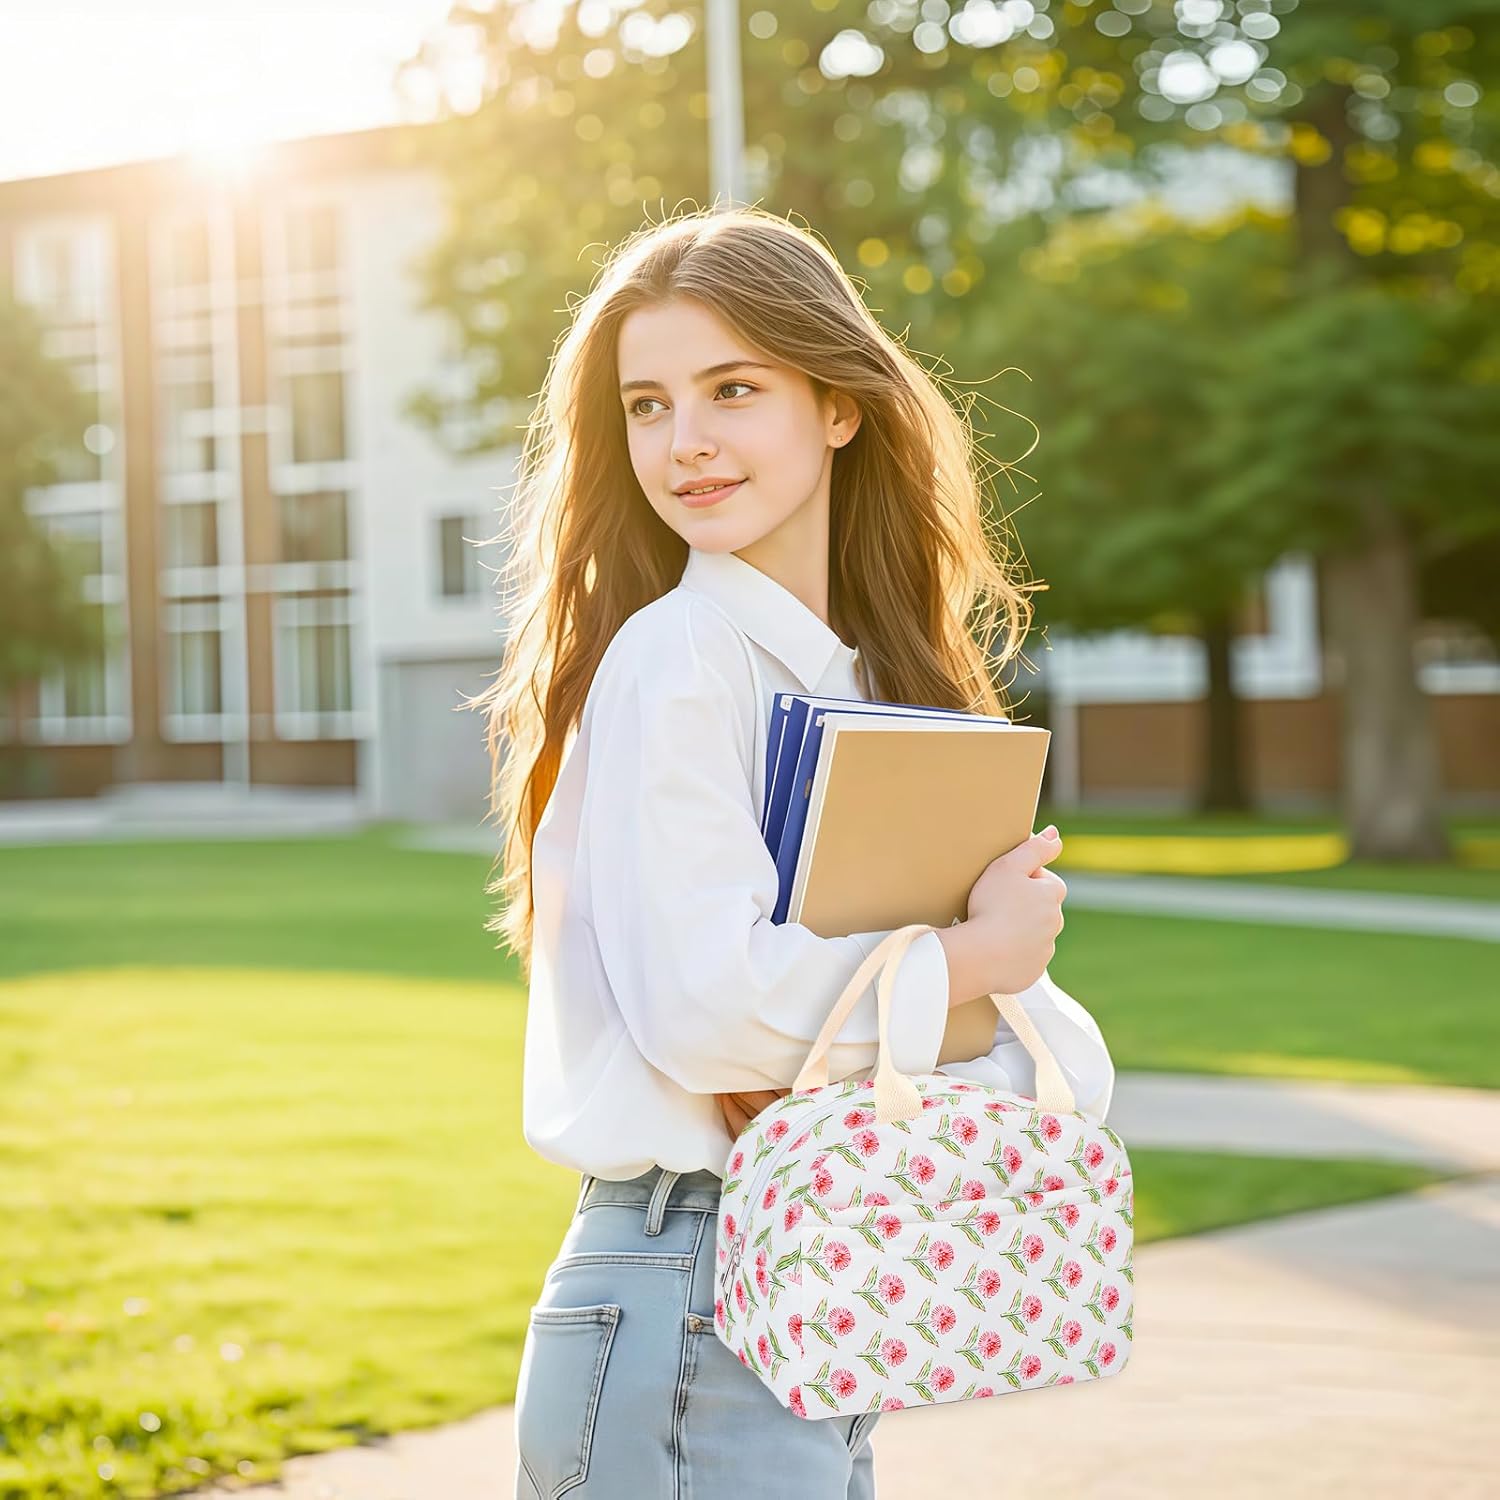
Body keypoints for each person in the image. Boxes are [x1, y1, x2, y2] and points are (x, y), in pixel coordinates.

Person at [472, 206, 1116, 1499]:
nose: (685, 440)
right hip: (688, 1290)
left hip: (816, 1296)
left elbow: (1064, 1069)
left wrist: (937, 990)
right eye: (646, 405)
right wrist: (961, 967)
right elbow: (712, 1014)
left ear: (838, 405)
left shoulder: (875, 687)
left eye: (733, 389)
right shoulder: (677, 655)